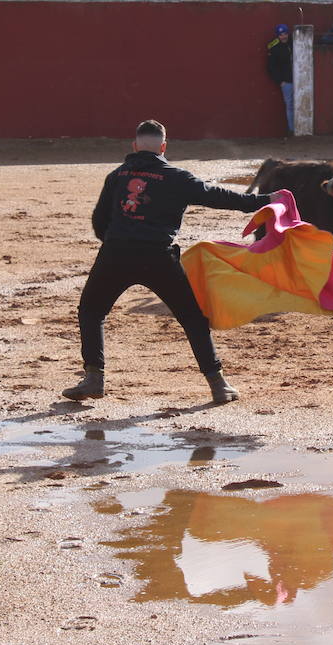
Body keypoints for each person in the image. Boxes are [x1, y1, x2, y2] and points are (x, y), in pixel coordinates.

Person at [62, 120, 276, 404]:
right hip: (158, 255)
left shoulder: (117, 176)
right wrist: (266, 200)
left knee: (91, 310)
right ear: (164, 147)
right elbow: (220, 197)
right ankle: (218, 384)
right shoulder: (177, 177)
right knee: (191, 318)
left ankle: (93, 377)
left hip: (116, 252)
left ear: (134, 146)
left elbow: (99, 221)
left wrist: (119, 243)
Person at [266, 23, 294, 134]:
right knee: (290, 105)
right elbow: (271, 67)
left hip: (298, 79)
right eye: (281, 34)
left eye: (285, 33)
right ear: (278, 36)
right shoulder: (274, 48)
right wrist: (280, 81)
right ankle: (292, 129)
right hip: (286, 82)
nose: (284, 36)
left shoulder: (294, 43)